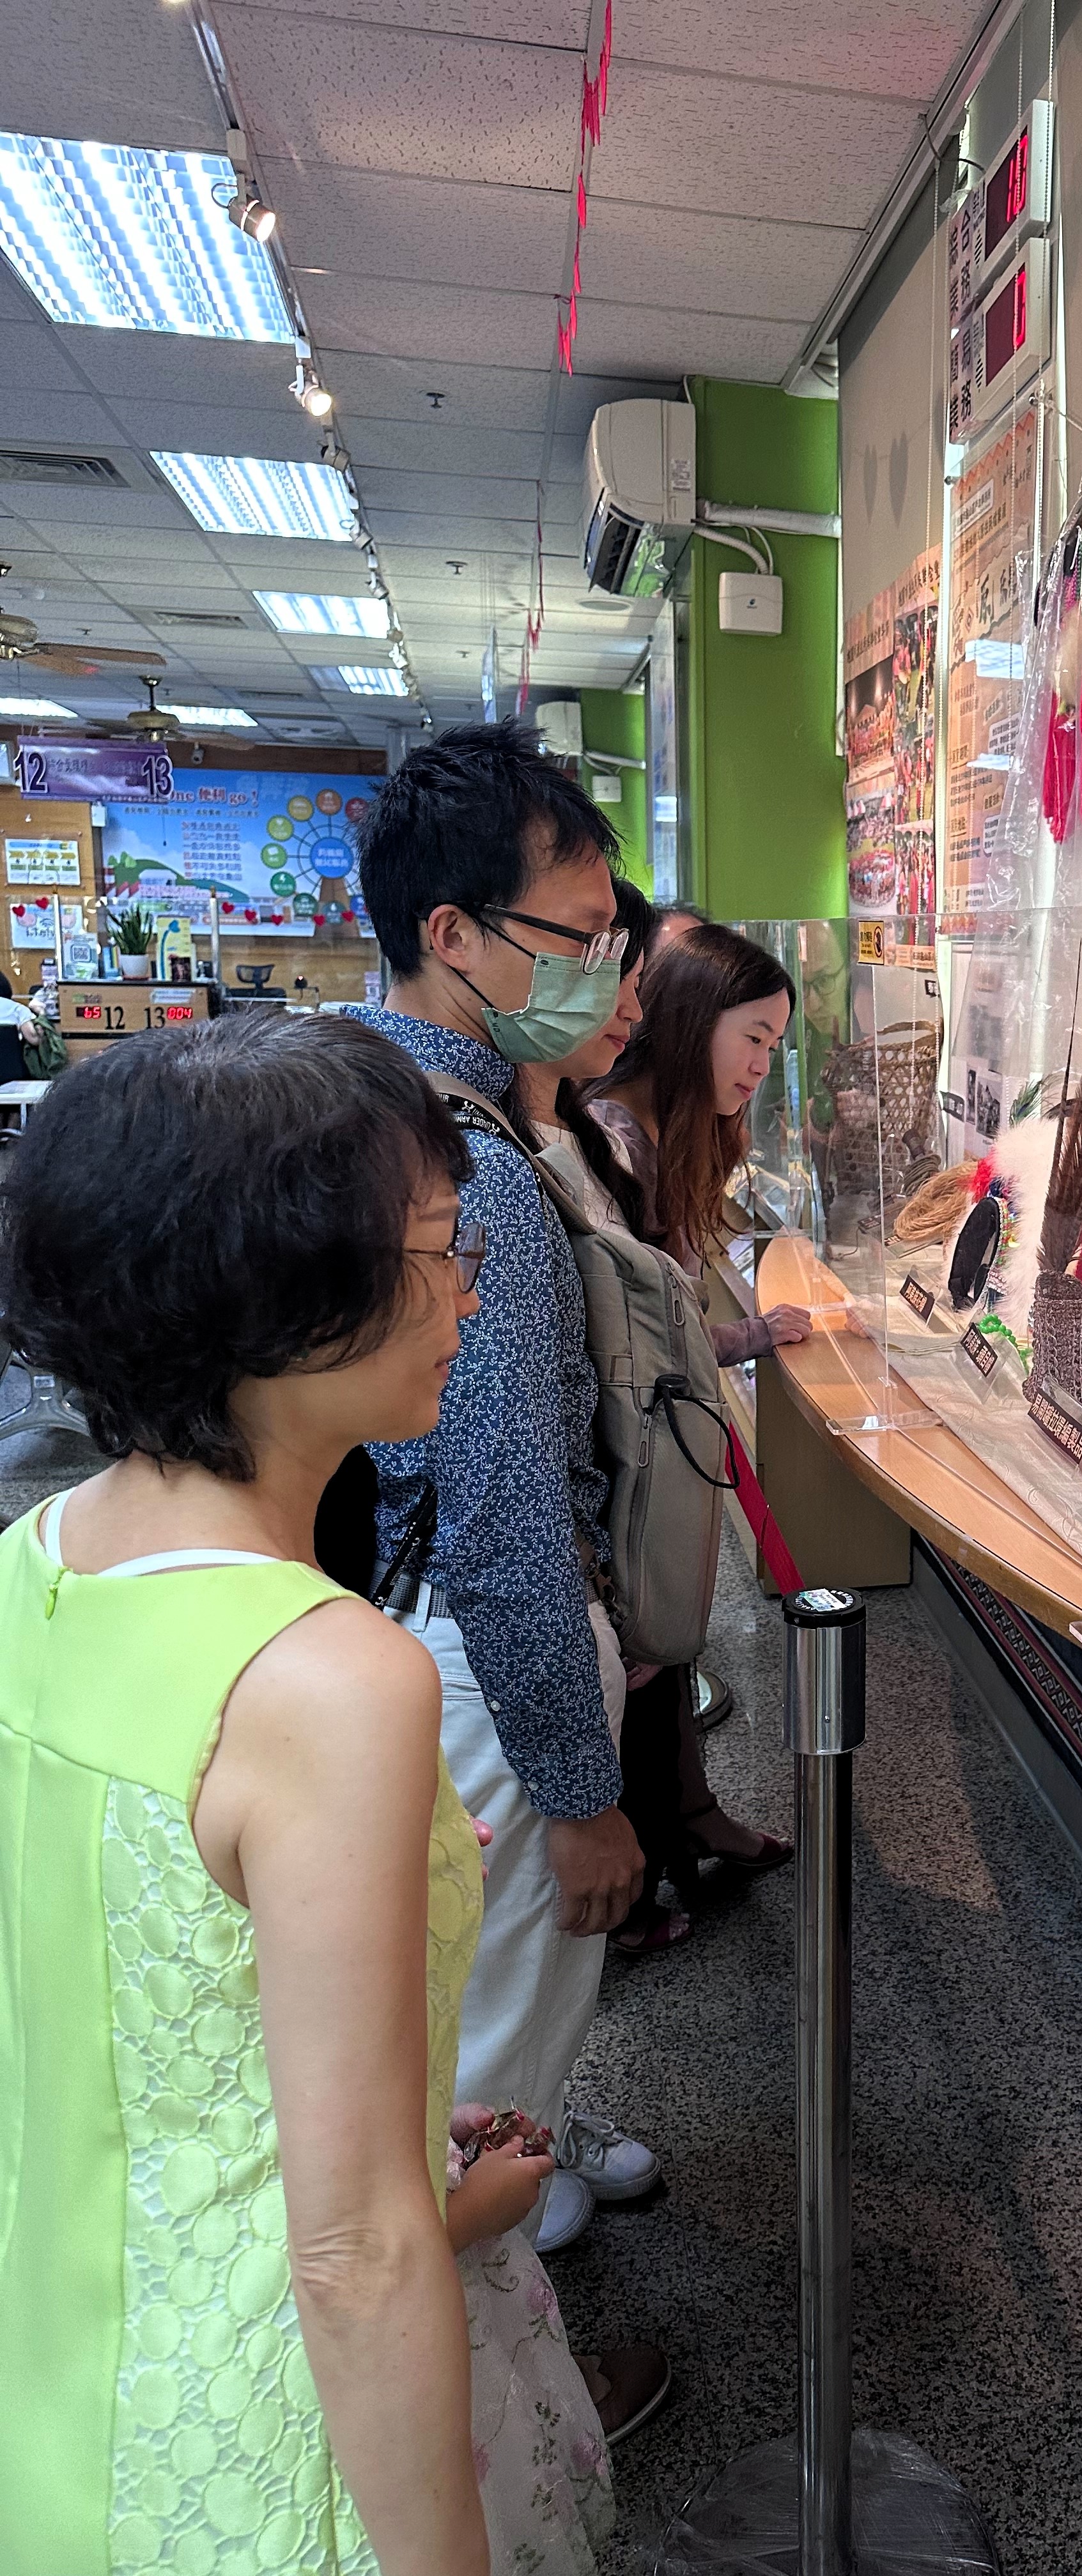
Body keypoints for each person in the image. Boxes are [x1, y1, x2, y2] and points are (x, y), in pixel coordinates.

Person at [0, 1013, 495, 2572]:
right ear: (280, 1292)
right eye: (440, 1249)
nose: (471, 1291)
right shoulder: (331, 1680)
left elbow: (122, 1997)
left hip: (62, 2397)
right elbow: (355, 2252)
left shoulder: (33, 1563)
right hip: (257, 2444)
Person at [350, 721, 658, 2262]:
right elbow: (502, 1517)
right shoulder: (463, 1170)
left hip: (383, 1620)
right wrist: (583, 1799)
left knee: (434, 2005)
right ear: (453, 934)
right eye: (578, 938)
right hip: (477, 1656)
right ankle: (499, 2356)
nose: (607, 975)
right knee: (483, 2047)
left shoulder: (350, 1092)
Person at [589, 923, 811, 1939]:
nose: (762, 1066)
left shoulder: (659, 1133)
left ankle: (689, 1819)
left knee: (663, 1655)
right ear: (689, 1019)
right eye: (752, 1038)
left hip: (650, 1447)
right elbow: (637, 1343)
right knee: (640, 1656)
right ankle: (636, 1877)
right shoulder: (614, 1138)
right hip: (620, 1459)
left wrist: (748, 1337)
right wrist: (747, 1338)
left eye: (773, 1046)